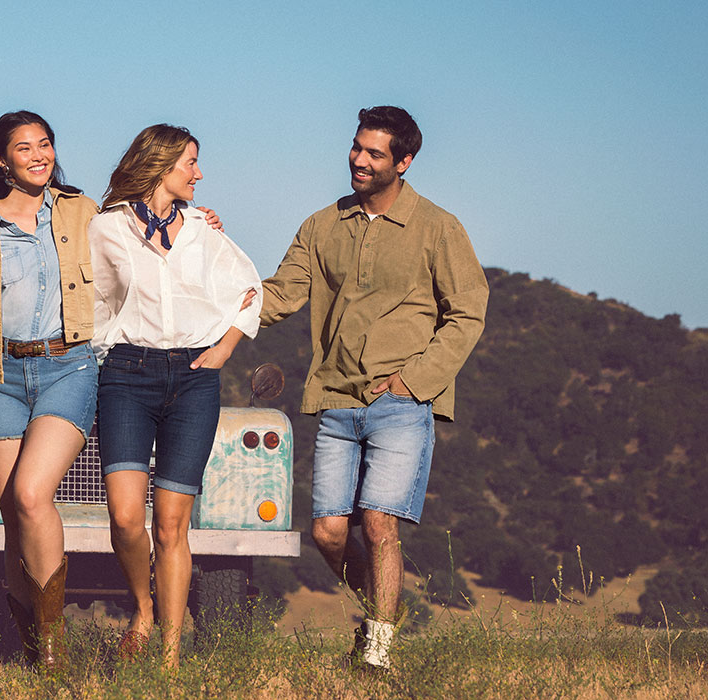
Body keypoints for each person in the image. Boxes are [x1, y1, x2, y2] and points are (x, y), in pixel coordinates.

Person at [258, 106, 489, 669]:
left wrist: (415, 383)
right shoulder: (321, 226)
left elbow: (467, 313)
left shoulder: (438, 227)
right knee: (328, 533)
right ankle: (382, 611)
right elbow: (279, 295)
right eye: (357, 147)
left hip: (402, 402)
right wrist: (202, 277)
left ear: (403, 163)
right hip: (336, 399)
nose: (359, 160)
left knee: (381, 524)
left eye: (375, 153)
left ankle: (377, 653)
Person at [90, 124, 262, 667]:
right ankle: (142, 606)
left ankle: (168, 658)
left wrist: (225, 348)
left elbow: (250, 290)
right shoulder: (106, 229)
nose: (199, 173)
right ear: (161, 165)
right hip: (126, 375)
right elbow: (91, 301)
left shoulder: (204, 233)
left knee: (171, 524)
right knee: (123, 517)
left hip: (193, 380)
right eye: (191, 162)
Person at [0, 111, 99, 669]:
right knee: (14, 515)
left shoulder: (80, 212)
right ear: (2, 161)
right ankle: (29, 648)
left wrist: (196, 226)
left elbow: (138, 245)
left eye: (46, 144)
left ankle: (51, 651)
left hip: (66, 367)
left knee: (31, 496)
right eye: (24, 147)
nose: (39, 154)